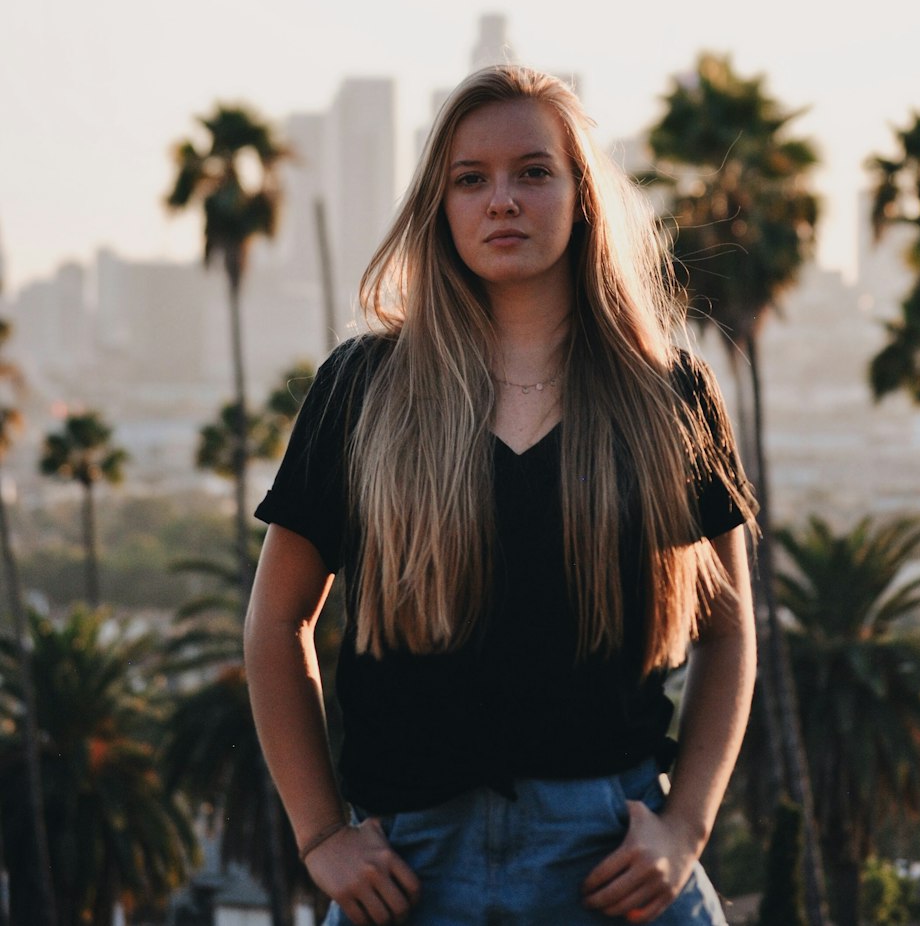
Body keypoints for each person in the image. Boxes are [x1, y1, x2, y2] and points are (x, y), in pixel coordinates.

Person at [245, 66, 757, 926]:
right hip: (407, 875)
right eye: (470, 180)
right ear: (439, 207)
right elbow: (276, 621)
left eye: (533, 171)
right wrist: (321, 835)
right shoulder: (365, 389)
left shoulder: (666, 393)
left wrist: (686, 827)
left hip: (614, 867)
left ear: (582, 195)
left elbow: (730, 624)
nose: (503, 200)